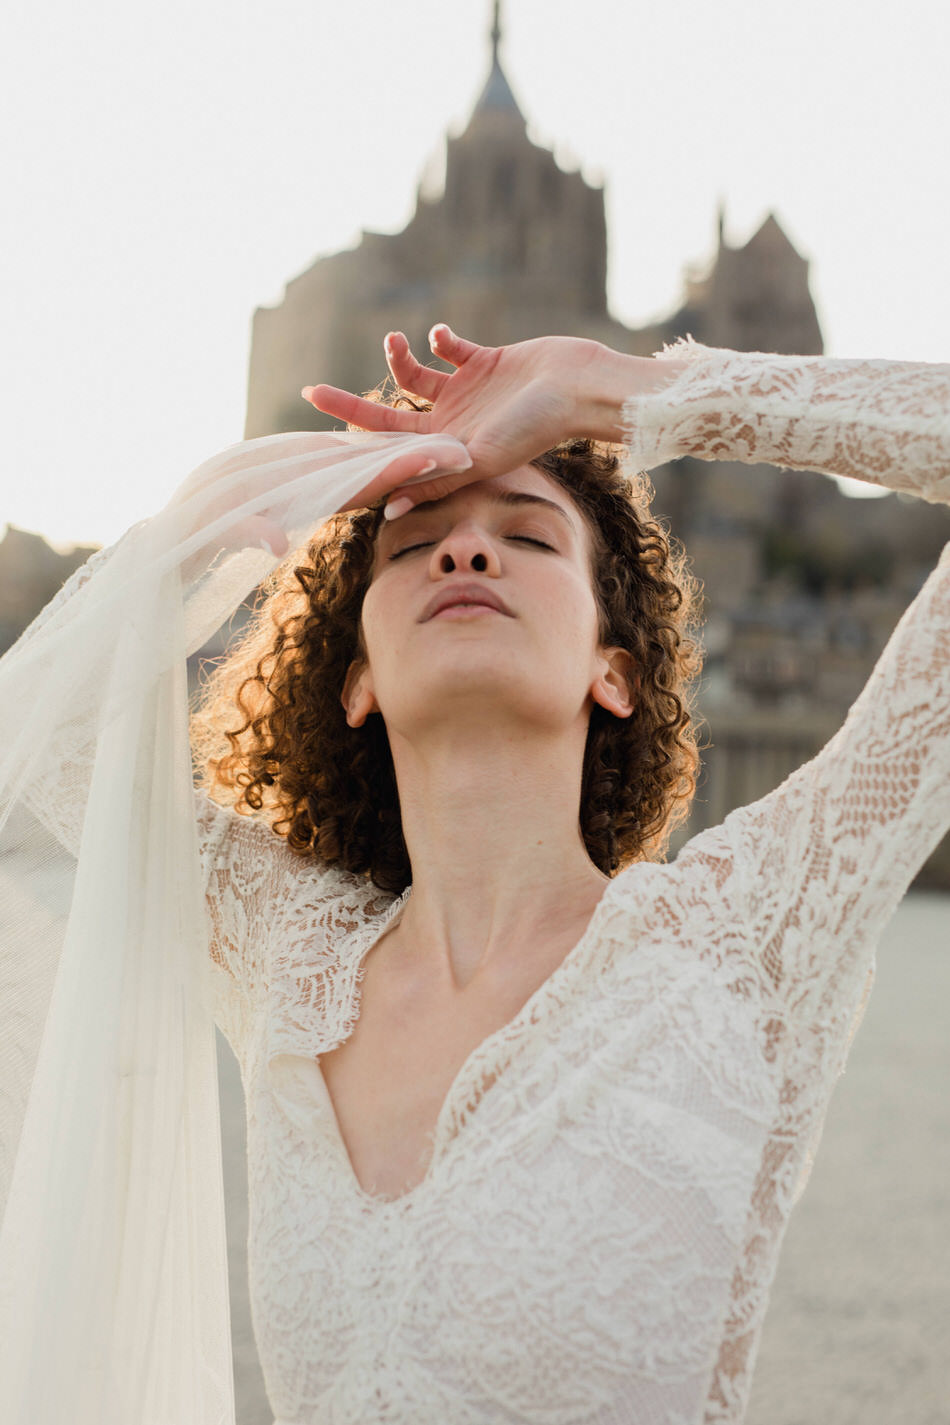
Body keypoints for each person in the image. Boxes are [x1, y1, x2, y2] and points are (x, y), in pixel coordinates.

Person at [0, 324, 947, 1425]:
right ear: (353, 681)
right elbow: (55, 731)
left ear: (613, 671)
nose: (464, 551)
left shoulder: (743, 939)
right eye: (412, 545)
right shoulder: (288, 960)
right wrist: (249, 506)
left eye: (529, 538)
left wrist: (622, 393)